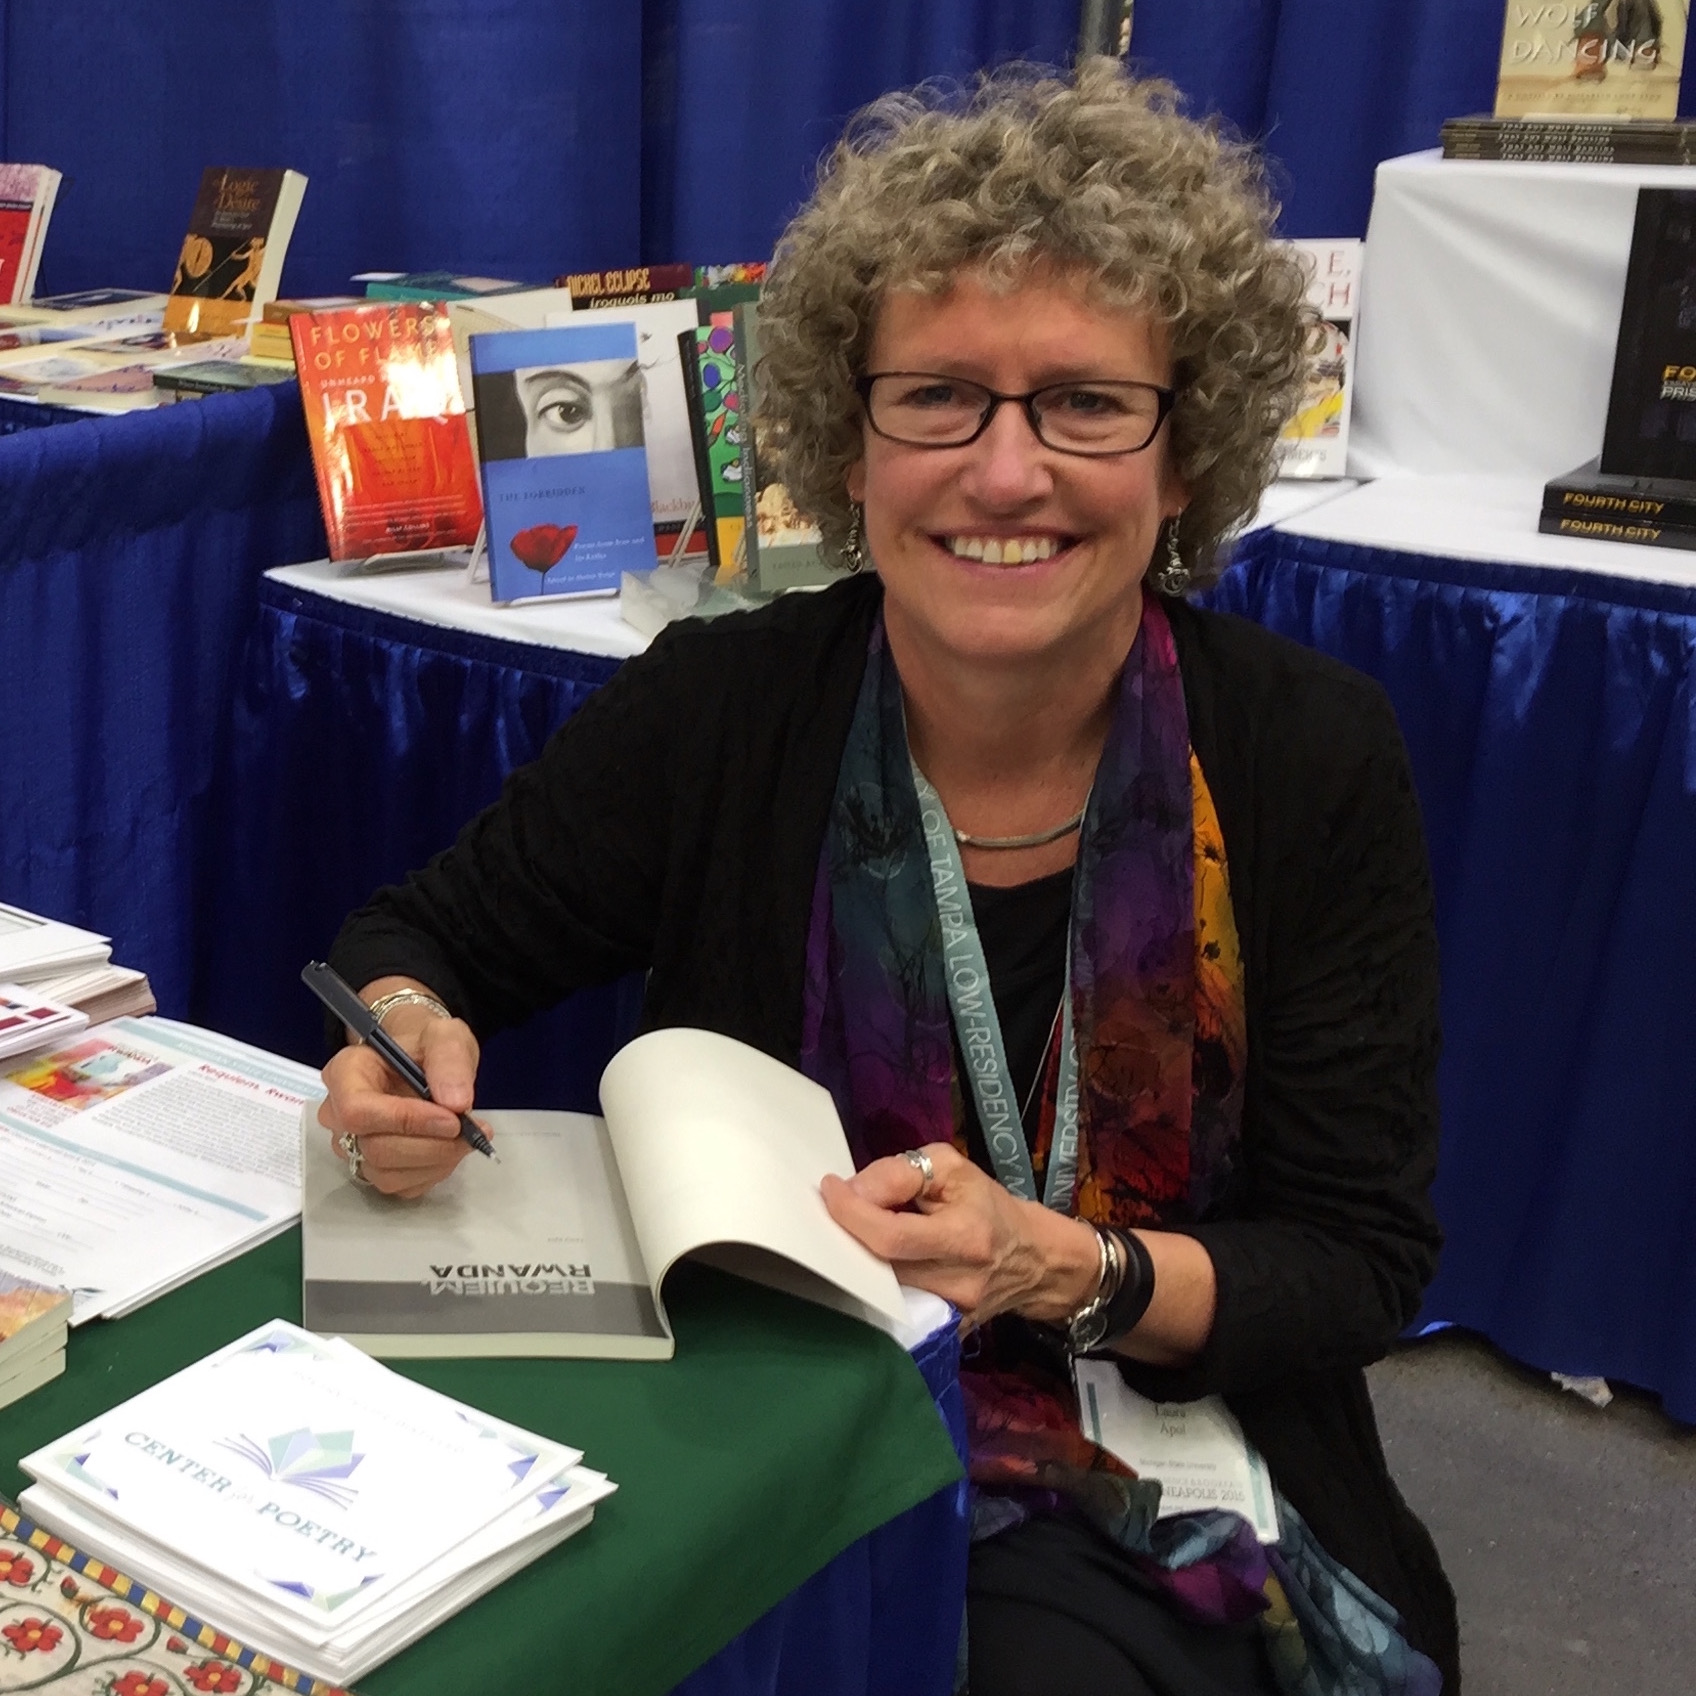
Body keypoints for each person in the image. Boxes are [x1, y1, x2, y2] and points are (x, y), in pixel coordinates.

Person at [320, 60, 1458, 1696]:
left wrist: (1067, 1269)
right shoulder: (723, 709)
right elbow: (423, 940)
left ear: (1184, 453)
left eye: (1083, 402)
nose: (1005, 474)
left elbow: (1355, 1262)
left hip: (1160, 1452)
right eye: (936, 397)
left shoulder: (1307, 760)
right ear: (847, 449)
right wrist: (401, 1031)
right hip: (778, 1413)